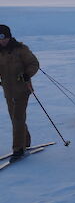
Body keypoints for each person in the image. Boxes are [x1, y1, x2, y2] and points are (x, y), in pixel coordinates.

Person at [0, 25, 39, 162]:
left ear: (9, 36)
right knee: (16, 118)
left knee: (17, 118)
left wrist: (27, 74)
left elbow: (34, 63)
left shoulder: (21, 49)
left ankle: (18, 148)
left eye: (3, 37)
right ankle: (25, 141)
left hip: (23, 89)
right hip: (8, 91)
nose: (2, 41)